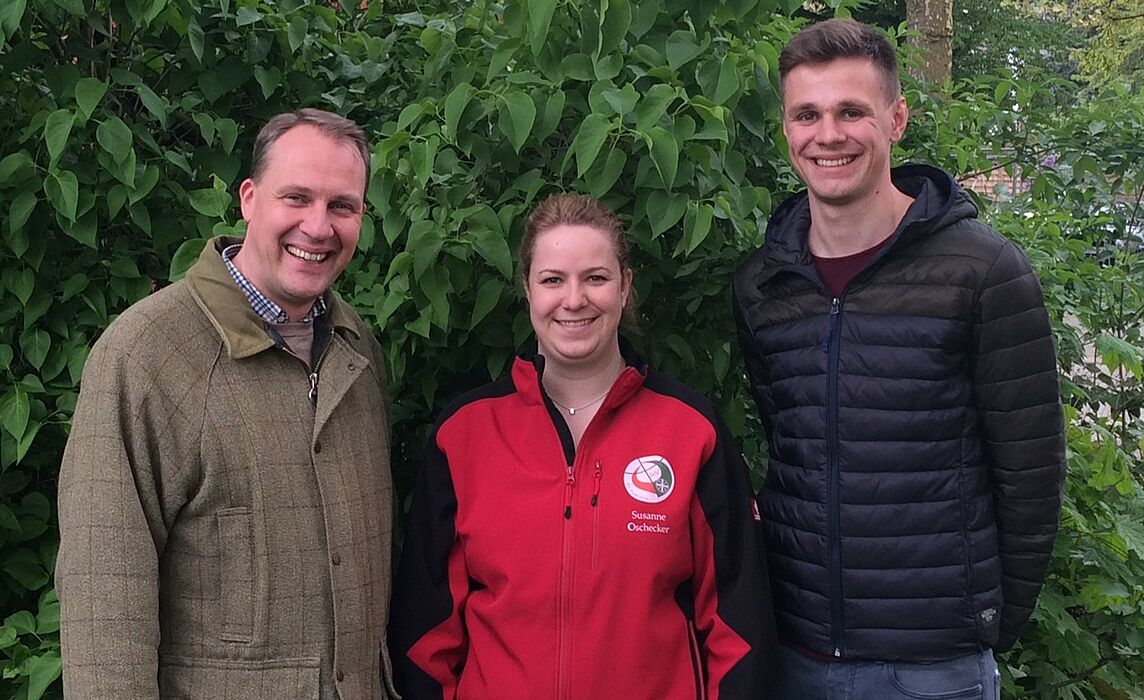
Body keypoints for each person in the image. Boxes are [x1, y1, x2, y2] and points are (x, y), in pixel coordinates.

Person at [732, 18, 1067, 699]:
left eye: (851, 111)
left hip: (933, 664)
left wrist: (990, 623)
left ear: (897, 118)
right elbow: (788, 440)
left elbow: (1032, 472)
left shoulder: (982, 271)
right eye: (807, 114)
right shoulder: (764, 284)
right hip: (795, 648)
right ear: (787, 129)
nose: (828, 135)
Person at [56, 109, 398, 699]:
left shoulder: (356, 349)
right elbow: (102, 599)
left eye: (342, 206)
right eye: (296, 197)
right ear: (248, 198)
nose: (318, 227)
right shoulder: (147, 356)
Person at [389, 193, 775, 698]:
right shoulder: (465, 434)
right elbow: (425, 629)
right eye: (553, 280)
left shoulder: (690, 433)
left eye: (595, 277)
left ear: (625, 287)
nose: (574, 300)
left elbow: (739, 628)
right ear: (527, 290)